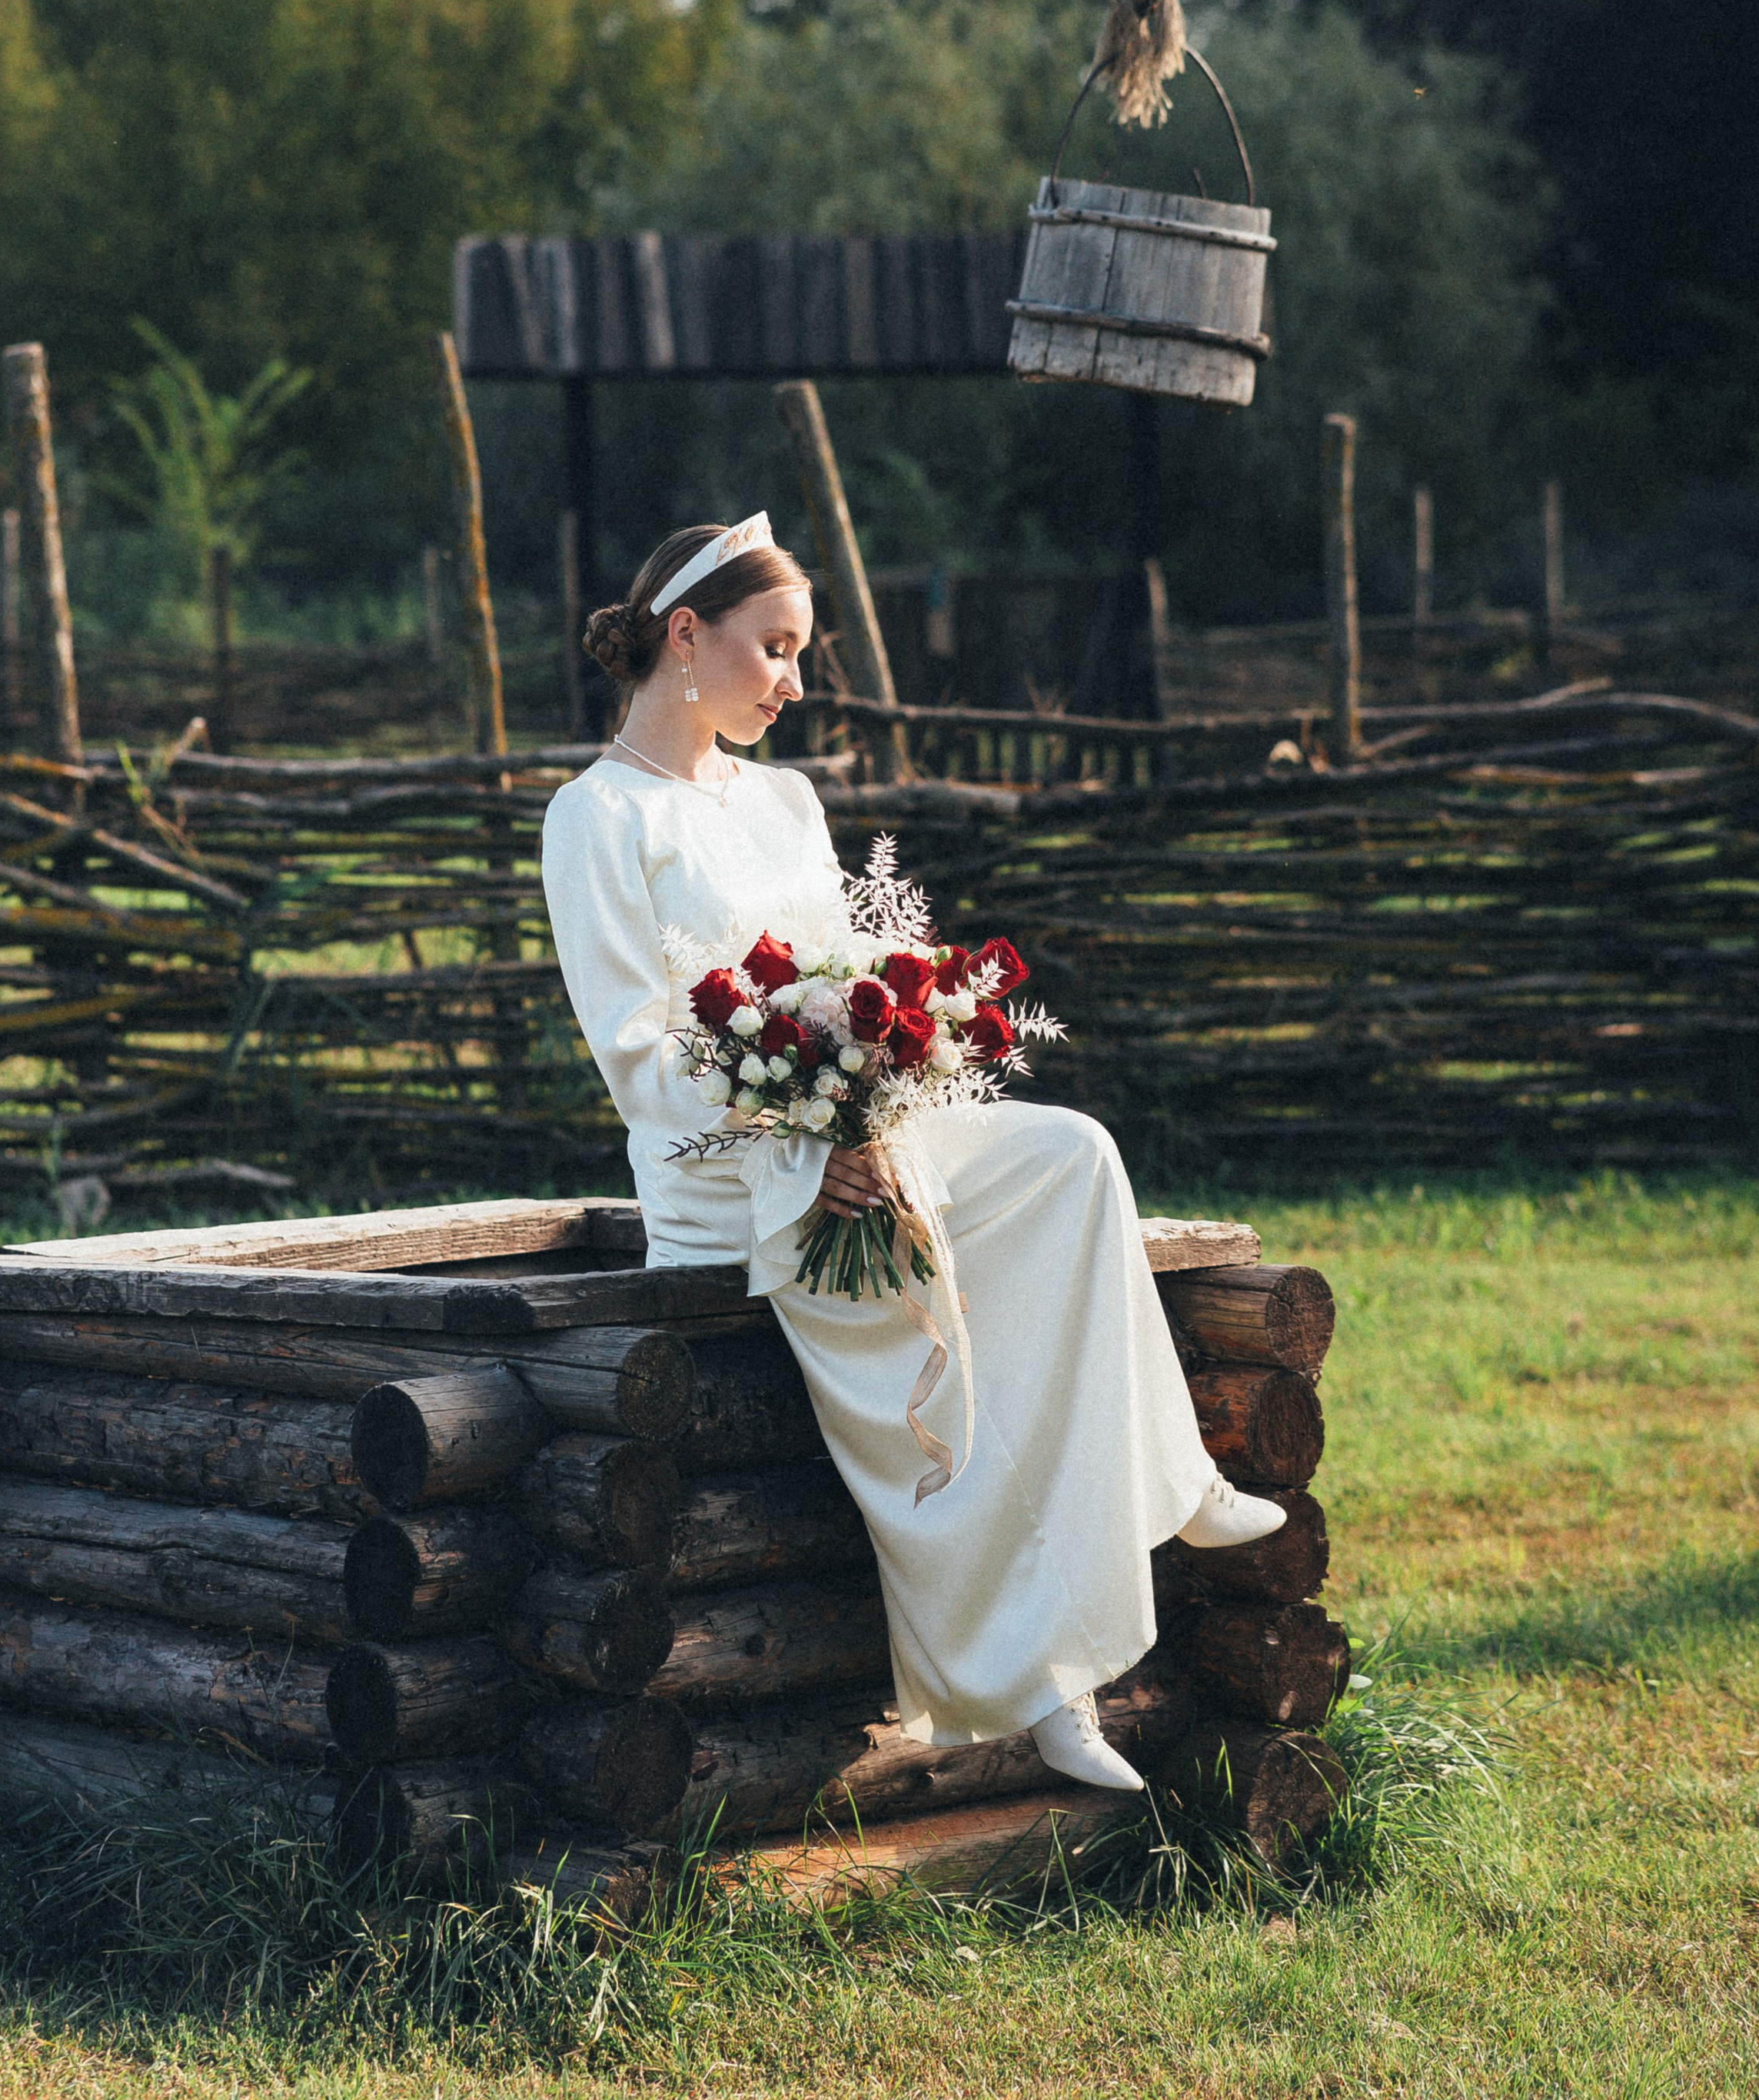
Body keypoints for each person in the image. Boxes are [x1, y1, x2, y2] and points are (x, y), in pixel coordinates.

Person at [540, 513, 1284, 1792]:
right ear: (684, 635)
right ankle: (1050, 1688)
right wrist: (799, 1151)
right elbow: (640, 1056)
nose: (792, 680)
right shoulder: (596, 818)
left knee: (1073, 1157)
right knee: (919, 1300)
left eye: (798, 653)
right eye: (774, 648)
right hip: (731, 1190)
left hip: (861, 1136)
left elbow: (846, 983)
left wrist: (871, 1110)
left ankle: (1173, 1468)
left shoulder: (783, 798)